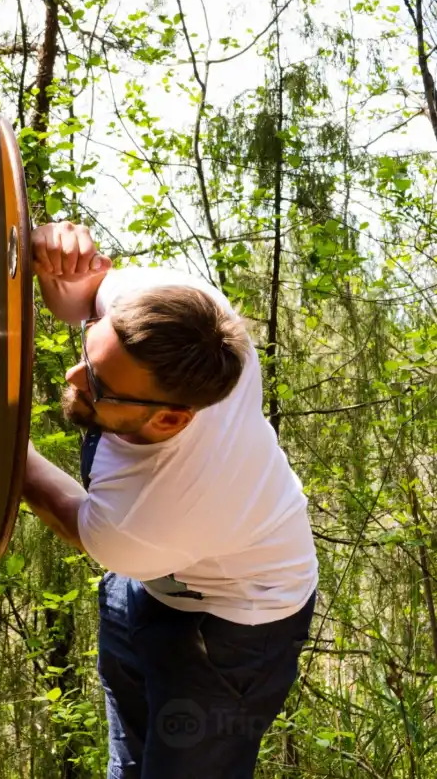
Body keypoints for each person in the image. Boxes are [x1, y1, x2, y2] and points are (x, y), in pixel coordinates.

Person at [22, 220, 318, 779]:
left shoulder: (139, 521)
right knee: (129, 767)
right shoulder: (181, 309)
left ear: (168, 419)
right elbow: (81, 298)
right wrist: (61, 263)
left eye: (98, 386)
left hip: (237, 627)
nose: (74, 377)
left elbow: (61, 506)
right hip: (151, 581)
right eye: (89, 351)